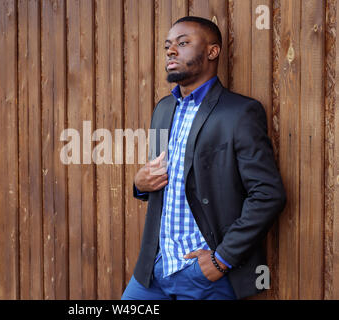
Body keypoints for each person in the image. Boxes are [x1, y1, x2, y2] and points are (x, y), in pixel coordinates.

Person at [121, 16, 286, 300]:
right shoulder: (162, 109)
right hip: (154, 271)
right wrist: (139, 184)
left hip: (205, 276)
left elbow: (268, 194)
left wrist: (222, 259)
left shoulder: (240, 113)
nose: (171, 51)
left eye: (183, 43)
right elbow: (159, 179)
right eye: (168, 45)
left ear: (212, 51)